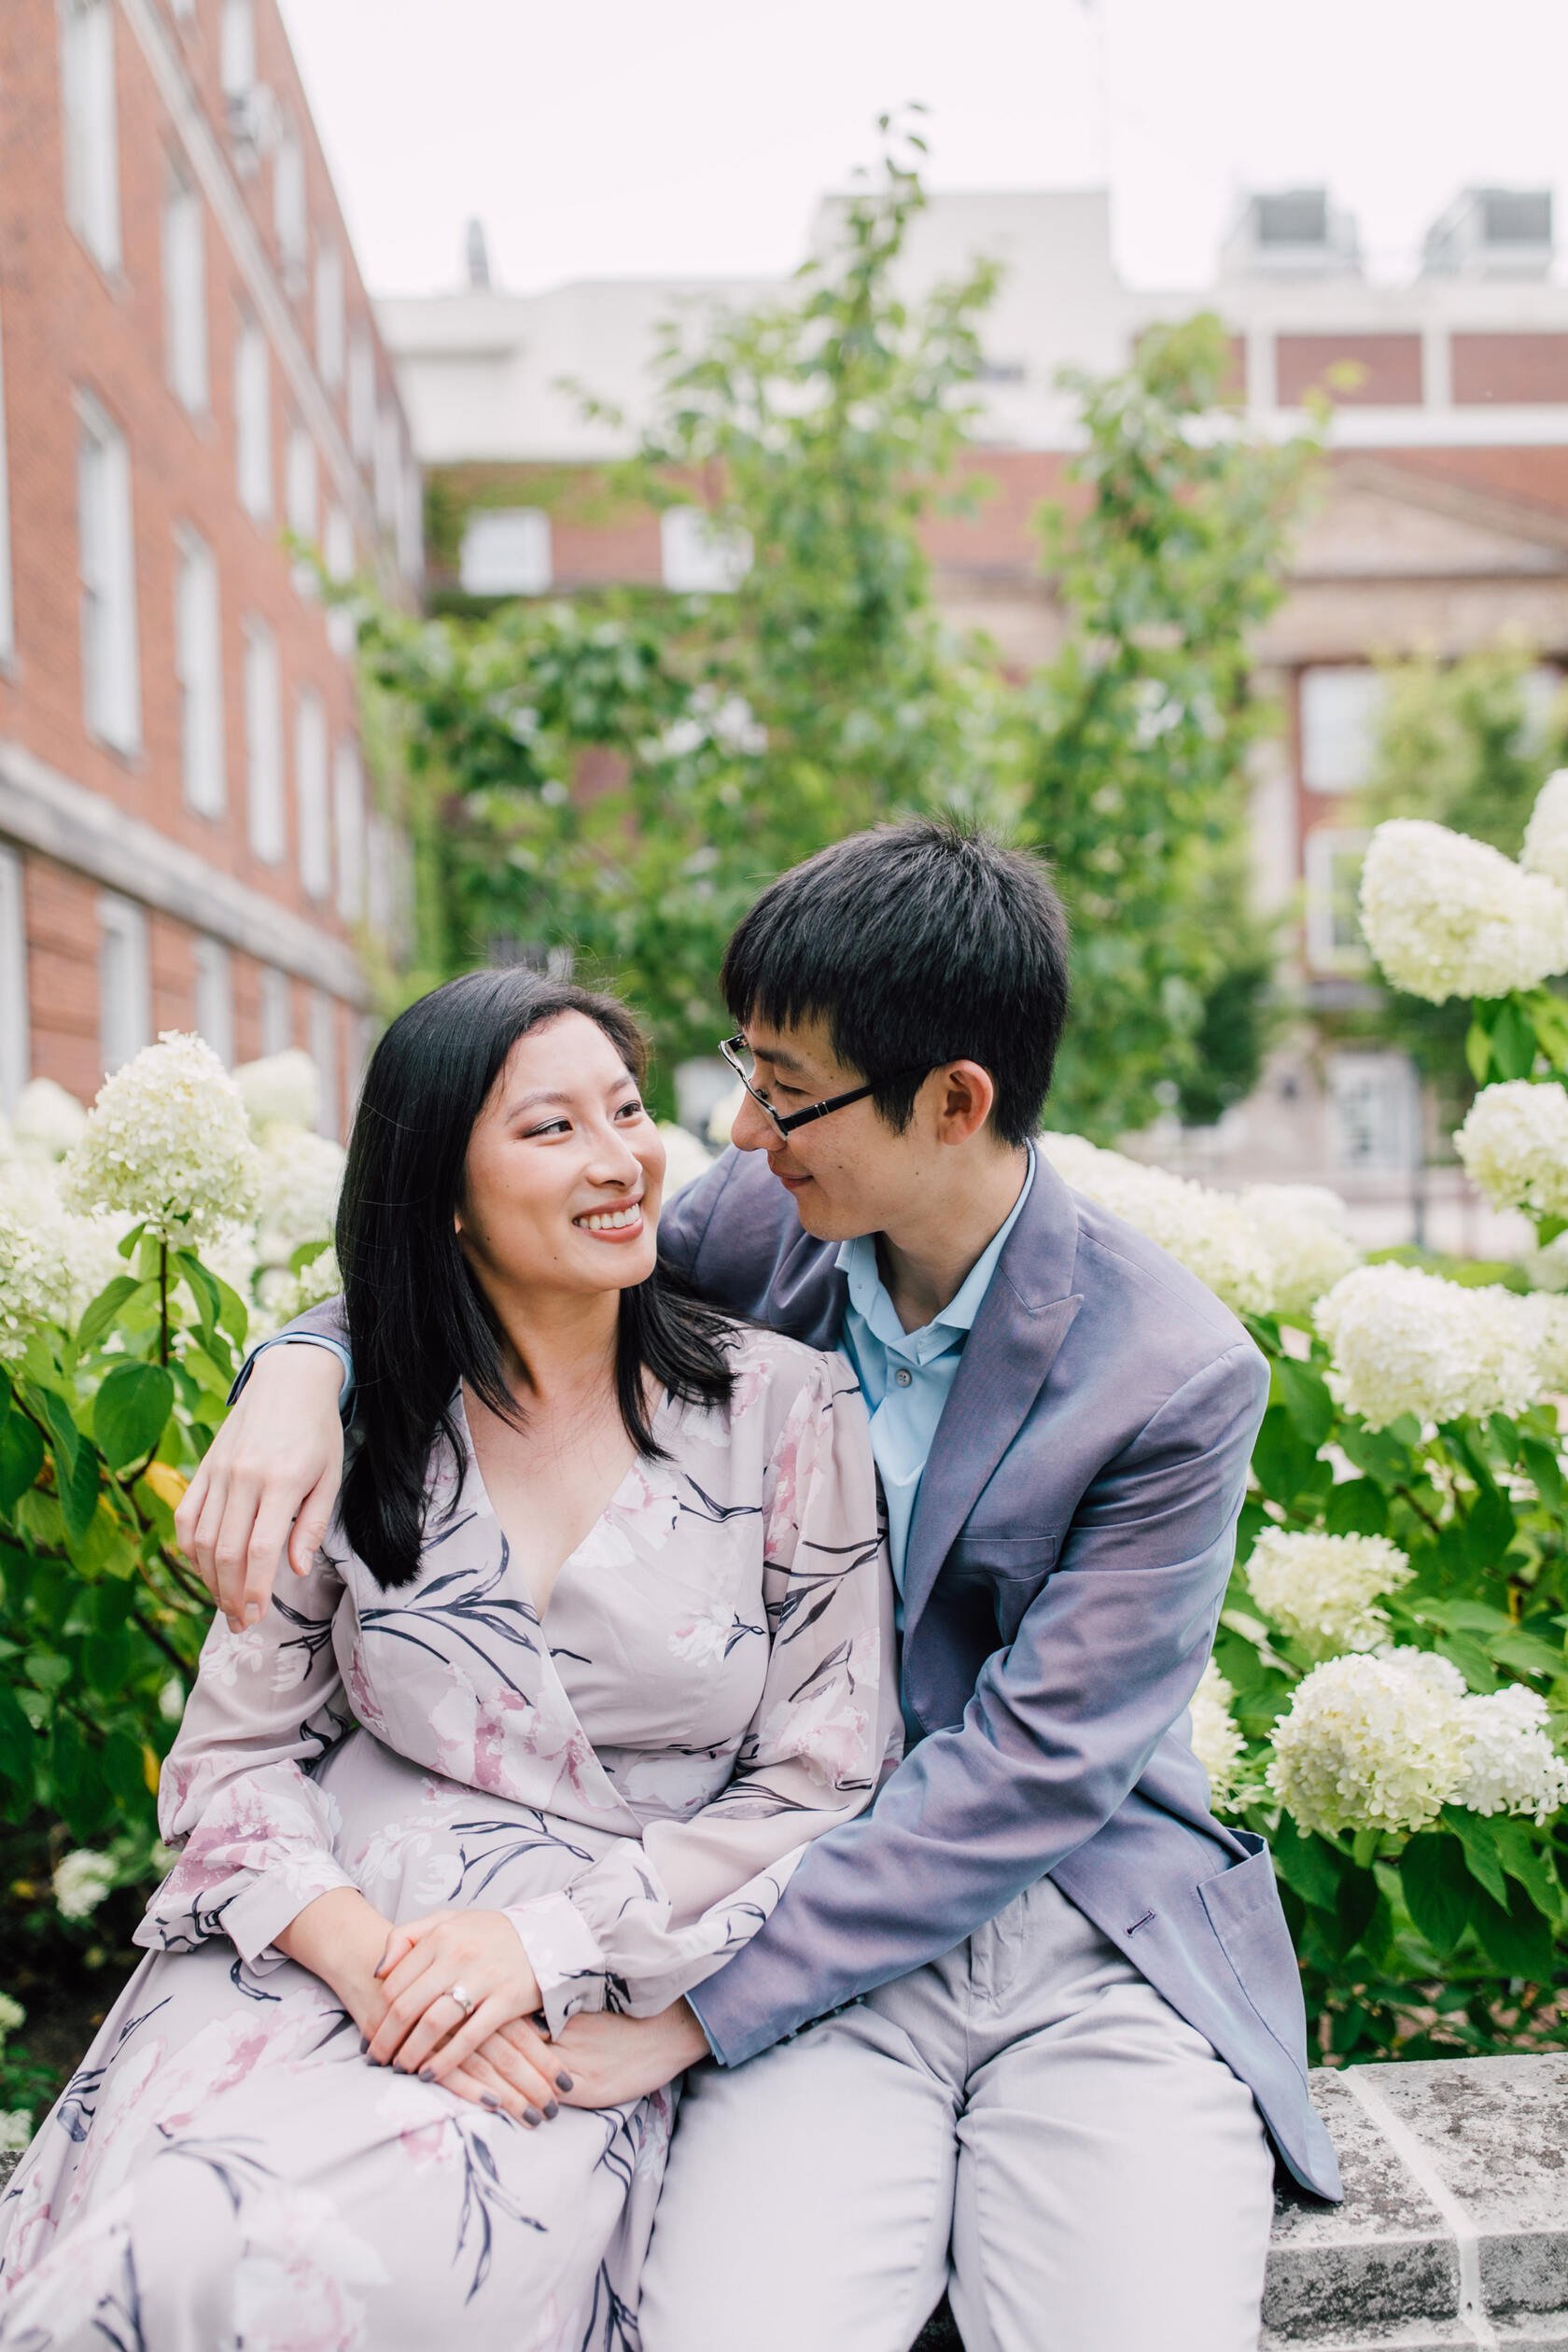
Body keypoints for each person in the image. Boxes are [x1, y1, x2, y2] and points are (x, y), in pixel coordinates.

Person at [171, 821, 1345, 2352]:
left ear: (954, 1102)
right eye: (742, 1073)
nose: (733, 1130)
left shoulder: (1174, 1375)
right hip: (784, 1929)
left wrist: (684, 2014)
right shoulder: (755, 1231)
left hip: (1081, 1940)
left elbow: (1040, 1771)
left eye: (785, 1095)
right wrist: (301, 1363)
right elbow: (467, 1233)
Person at [0, 972, 897, 2351]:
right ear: (447, 1190)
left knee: (377, 2266)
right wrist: (374, 1966)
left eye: (628, 1108)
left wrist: (543, 1951)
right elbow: (233, 1759)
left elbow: (825, 1780)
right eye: (551, 1130)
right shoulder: (355, 1427)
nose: (621, 1160)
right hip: (319, 1944)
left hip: (589, 1979)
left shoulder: (782, 1411)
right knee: (167, 2239)